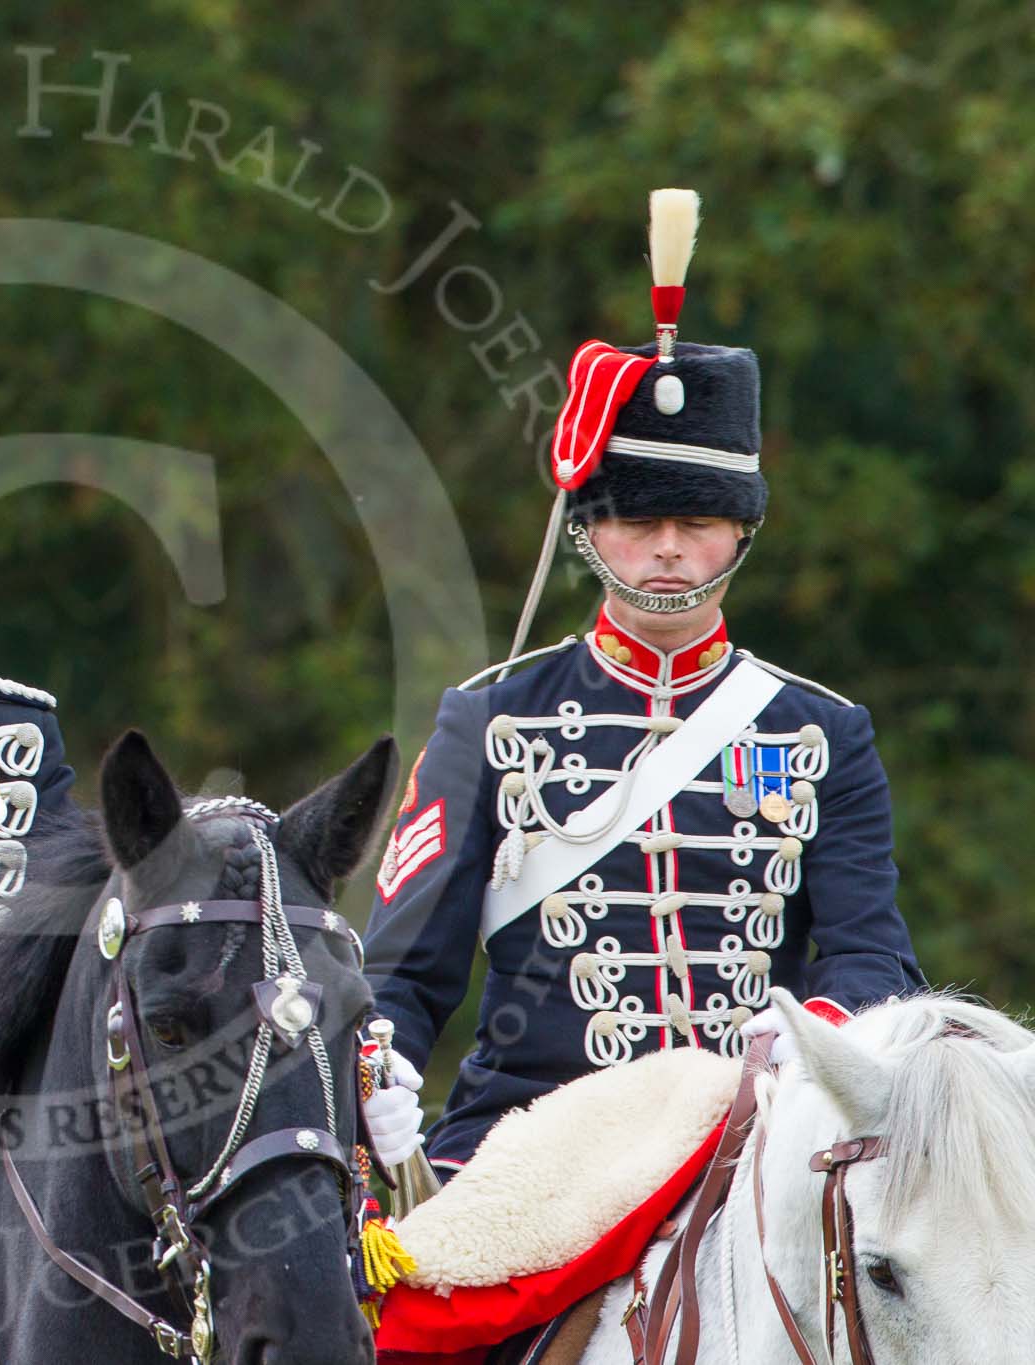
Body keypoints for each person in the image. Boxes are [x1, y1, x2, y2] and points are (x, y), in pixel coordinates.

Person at [360, 189, 924, 1179]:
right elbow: (403, 975)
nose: (666, 549)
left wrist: (809, 1054)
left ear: (739, 531)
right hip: (530, 1146)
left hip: (753, 1146)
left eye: (696, 522)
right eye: (637, 521)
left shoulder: (821, 732)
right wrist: (377, 1087)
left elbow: (868, 956)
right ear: (587, 529)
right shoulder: (489, 717)